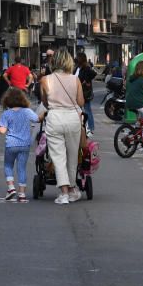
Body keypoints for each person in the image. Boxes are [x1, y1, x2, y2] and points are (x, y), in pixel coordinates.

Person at [39, 49, 85, 205]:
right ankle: (72, 190)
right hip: (72, 118)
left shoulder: (45, 80)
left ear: (54, 62)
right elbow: (80, 102)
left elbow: (45, 102)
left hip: (55, 118)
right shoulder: (75, 80)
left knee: (58, 158)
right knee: (73, 157)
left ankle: (64, 193)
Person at [0, 87, 42, 203]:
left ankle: (11, 187)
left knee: (8, 166)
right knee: (21, 168)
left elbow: (2, 131)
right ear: (22, 99)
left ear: (7, 100)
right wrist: (44, 114)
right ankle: (22, 194)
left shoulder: (6, 114)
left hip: (11, 144)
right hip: (25, 144)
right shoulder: (27, 111)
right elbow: (37, 119)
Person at [75, 53, 98, 136]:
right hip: (76, 92)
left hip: (84, 93)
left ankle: (91, 128)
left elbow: (94, 74)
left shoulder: (86, 68)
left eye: (78, 58)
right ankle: (79, 127)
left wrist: (86, 81)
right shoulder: (77, 68)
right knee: (78, 110)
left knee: (87, 110)